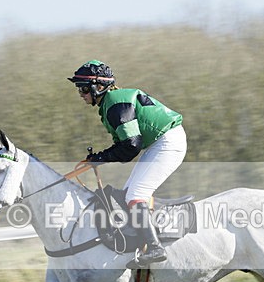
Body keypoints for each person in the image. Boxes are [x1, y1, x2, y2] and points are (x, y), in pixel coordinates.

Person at [68, 60, 187, 268]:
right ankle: (144, 241)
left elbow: (131, 146)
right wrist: (101, 157)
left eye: (84, 88)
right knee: (129, 192)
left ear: (99, 86)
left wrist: (101, 158)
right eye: (79, 89)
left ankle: (155, 248)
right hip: (161, 141)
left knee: (135, 195)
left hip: (168, 142)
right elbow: (127, 145)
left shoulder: (115, 104)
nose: (81, 93)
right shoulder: (111, 103)